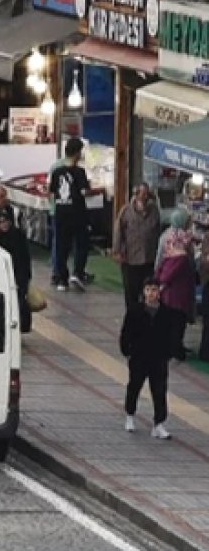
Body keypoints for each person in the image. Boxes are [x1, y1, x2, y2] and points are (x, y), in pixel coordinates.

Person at [121, 279, 185, 440]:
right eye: (148, 289)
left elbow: (172, 336)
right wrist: (127, 351)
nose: (151, 293)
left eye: (154, 289)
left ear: (159, 292)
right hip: (139, 357)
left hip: (158, 359)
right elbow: (126, 332)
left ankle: (158, 424)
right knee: (134, 386)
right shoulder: (135, 311)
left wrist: (169, 353)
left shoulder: (167, 313)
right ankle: (130, 415)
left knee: (159, 390)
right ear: (144, 291)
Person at [50, 137, 91, 292]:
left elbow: (52, 193)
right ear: (77, 153)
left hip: (61, 212)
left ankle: (62, 279)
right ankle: (78, 273)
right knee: (82, 244)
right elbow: (84, 192)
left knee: (61, 246)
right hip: (77, 213)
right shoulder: (79, 172)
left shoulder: (56, 171)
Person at [113, 182, 162, 311]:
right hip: (131, 258)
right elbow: (118, 232)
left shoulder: (154, 211)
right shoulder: (126, 211)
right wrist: (117, 251)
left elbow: (158, 230)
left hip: (149, 257)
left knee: (147, 288)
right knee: (131, 290)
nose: (145, 197)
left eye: (147, 194)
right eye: (142, 194)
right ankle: (132, 312)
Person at [154, 227, 195, 360]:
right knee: (176, 325)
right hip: (176, 298)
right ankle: (174, 349)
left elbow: (163, 274)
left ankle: (173, 349)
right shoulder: (178, 257)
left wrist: (159, 280)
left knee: (174, 325)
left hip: (175, 297)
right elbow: (163, 274)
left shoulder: (177, 257)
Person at [0, 211, 33, 333]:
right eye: (0, 222)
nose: (3, 224)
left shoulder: (18, 235)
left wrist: (24, 277)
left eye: (5, 221)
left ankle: (21, 326)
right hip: (6, 274)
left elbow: (23, 257)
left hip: (19, 274)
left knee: (19, 301)